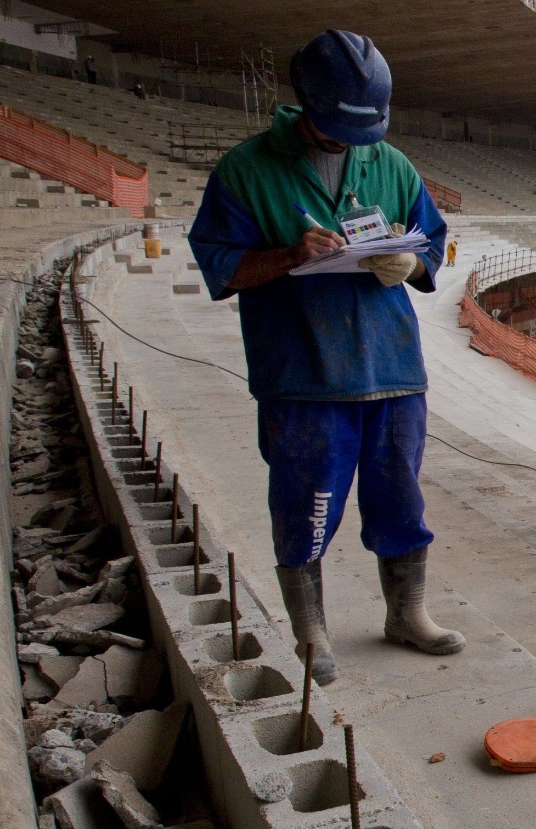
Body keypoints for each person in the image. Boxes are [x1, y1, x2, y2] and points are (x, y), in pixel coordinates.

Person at [189, 30, 458, 687]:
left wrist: (411, 260)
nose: (351, 142)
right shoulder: (246, 171)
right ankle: (312, 630)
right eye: (340, 128)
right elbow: (222, 265)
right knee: (307, 504)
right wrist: (288, 256)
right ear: (306, 103)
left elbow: (433, 242)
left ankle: (407, 613)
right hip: (305, 376)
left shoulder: (391, 165)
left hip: (392, 370)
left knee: (401, 500)